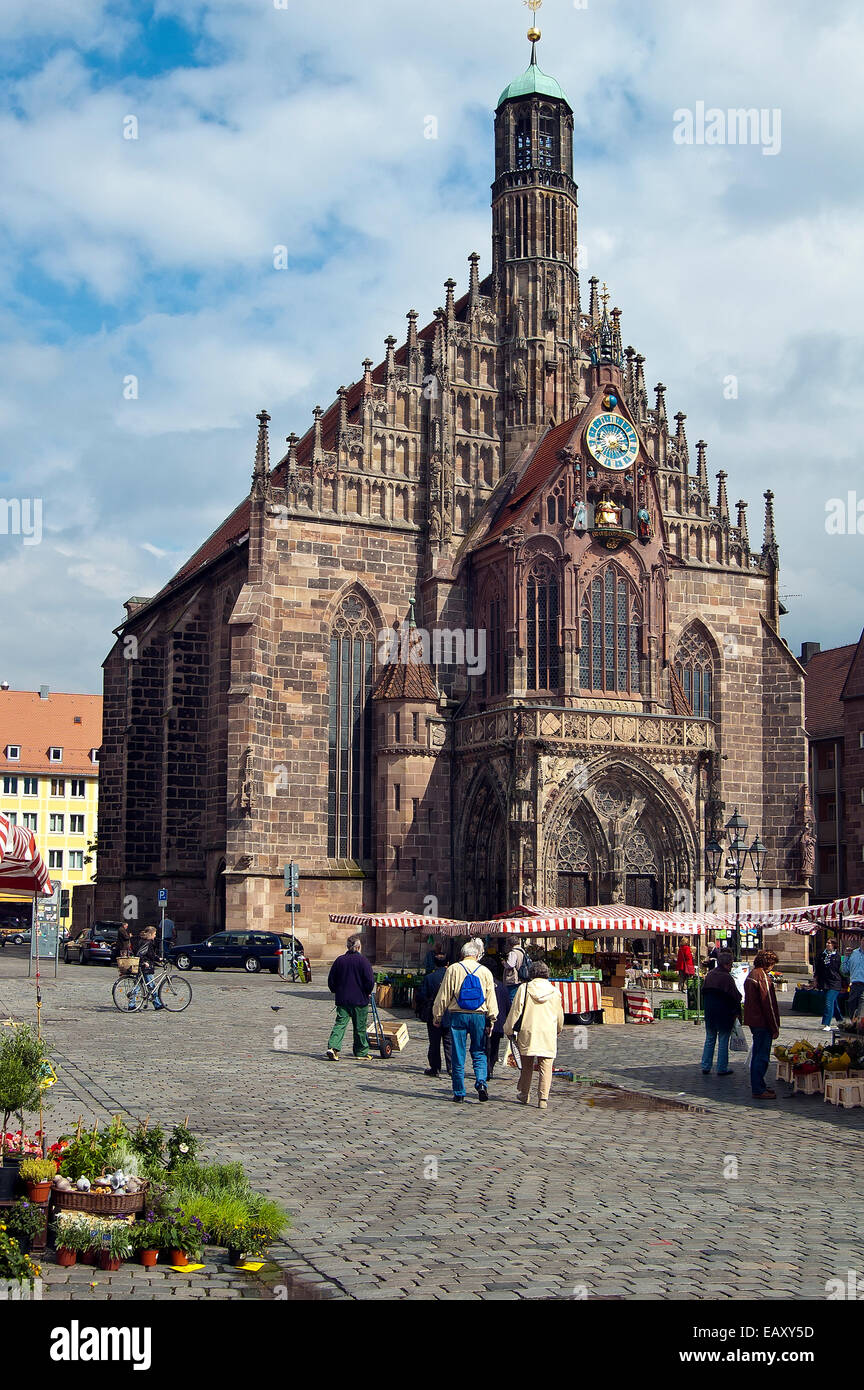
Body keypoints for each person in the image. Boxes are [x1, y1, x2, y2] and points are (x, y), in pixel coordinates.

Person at [432, 940, 498, 1103]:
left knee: (458, 1053)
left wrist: (437, 1016)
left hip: (458, 1014)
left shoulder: (453, 969)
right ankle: (481, 1082)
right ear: (477, 955)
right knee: (479, 1051)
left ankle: (459, 1092)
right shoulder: (485, 972)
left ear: (462, 954)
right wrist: (492, 1019)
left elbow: (444, 995)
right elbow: (491, 999)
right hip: (478, 1016)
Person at [504, 962, 565, 1110]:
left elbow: (515, 1011)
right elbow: (559, 1015)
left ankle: (524, 1094)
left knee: (527, 1066)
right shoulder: (555, 992)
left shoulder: (524, 989)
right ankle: (543, 1098)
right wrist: (558, 1029)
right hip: (547, 1032)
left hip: (528, 1031)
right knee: (546, 1066)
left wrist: (508, 1029)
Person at [326, 934, 376, 1062]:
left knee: (340, 1024)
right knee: (359, 1027)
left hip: (343, 999)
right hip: (360, 1000)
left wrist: (336, 990)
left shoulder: (340, 960)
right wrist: (367, 992)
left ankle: (333, 1047)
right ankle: (361, 1052)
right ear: (359, 947)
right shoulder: (364, 961)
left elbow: (331, 980)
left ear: (348, 947)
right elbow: (370, 981)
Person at [743, 949, 781, 1099]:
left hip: (754, 1020)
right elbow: (768, 1004)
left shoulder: (752, 974)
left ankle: (760, 1085)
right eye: (772, 964)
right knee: (761, 1056)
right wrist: (775, 1026)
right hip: (762, 1021)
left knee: (758, 1054)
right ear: (768, 963)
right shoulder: (761, 976)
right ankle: (758, 1088)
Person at [700, 950, 741, 1075]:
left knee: (710, 1038)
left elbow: (703, 992)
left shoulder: (711, 974)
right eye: (731, 964)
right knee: (723, 1040)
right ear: (727, 964)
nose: (731, 967)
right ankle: (722, 1067)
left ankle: (706, 1065)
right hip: (724, 1013)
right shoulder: (727, 977)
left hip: (710, 1012)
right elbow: (736, 996)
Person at [416, 951, 452, 1077]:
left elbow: (421, 996)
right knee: (448, 1042)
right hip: (449, 1012)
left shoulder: (429, 978)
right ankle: (451, 1067)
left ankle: (435, 1067)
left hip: (433, 1012)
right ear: (447, 964)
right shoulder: (451, 977)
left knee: (434, 1042)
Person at [486, 977, 513, 1081]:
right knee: (494, 1047)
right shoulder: (502, 987)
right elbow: (508, 1006)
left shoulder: (483, 984)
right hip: (498, 1022)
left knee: (484, 1046)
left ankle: (487, 1068)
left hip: (485, 1020)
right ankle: (490, 1068)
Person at [132, 926, 164, 1012]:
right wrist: (158, 959)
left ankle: (132, 1004)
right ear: (150, 934)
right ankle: (157, 1004)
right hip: (146, 966)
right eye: (154, 934)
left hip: (141, 965)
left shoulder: (141, 941)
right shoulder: (148, 942)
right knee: (151, 986)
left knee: (139, 985)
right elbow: (148, 955)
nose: (155, 936)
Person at [816, 938, 845, 1031]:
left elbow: (841, 970)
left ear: (834, 945)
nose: (827, 944)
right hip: (824, 982)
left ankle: (826, 1023)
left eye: (829, 943)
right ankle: (840, 1020)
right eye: (827, 942)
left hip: (835, 982)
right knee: (833, 1002)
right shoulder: (822, 955)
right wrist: (816, 979)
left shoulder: (838, 956)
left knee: (828, 1001)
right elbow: (818, 968)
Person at [845, 939, 864, 1018]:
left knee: (862, 1005)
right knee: (852, 1004)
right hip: (855, 984)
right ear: (861, 941)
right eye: (863, 940)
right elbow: (845, 970)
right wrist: (846, 957)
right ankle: (854, 1023)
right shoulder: (853, 953)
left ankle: (860, 1025)